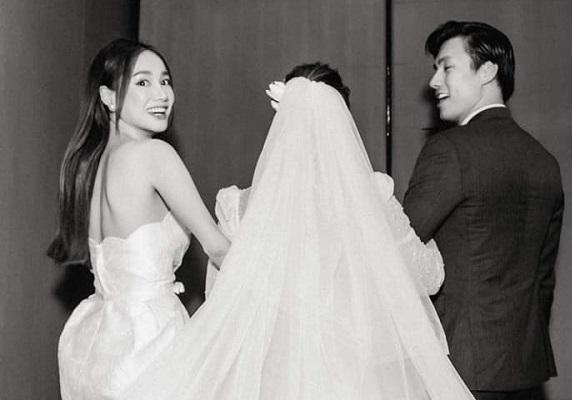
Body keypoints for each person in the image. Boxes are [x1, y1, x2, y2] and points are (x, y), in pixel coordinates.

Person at [118, 63, 475, 400]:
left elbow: (220, 299)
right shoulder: (371, 197)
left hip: (272, 379)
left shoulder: (238, 206)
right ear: (343, 123)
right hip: (355, 378)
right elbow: (429, 278)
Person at [47, 38, 230, 400]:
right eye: (143, 82)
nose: (162, 94)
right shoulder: (153, 154)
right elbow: (218, 248)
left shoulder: (85, 166)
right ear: (109, 97)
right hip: (151, 340)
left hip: (94, 344)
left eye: (165, 81)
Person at [403, 21, 564, 400]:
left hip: (457, 370)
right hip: (524, 372)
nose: (434, 82)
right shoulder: (545, 161)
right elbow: (544, 280)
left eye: (447, 67)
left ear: (487, 71)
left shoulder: (451, 150)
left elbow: (398, 249)